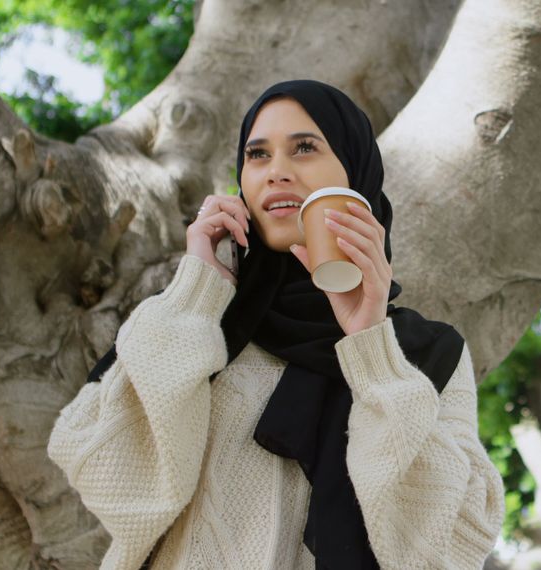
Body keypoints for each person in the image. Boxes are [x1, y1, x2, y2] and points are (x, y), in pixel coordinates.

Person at [47, 80, 505, 570]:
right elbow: (107, 476)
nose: (277, 172)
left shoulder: (426, 354)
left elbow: (454, 546)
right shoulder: (198, 325)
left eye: (305, 148)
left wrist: (371, 347)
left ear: (354, 173)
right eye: (257, 155)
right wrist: (196, 291)